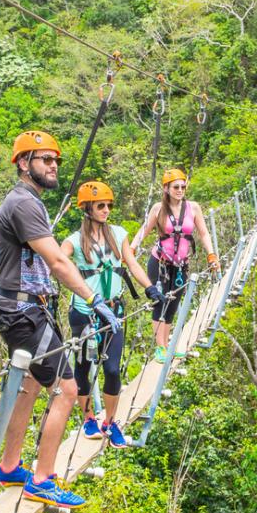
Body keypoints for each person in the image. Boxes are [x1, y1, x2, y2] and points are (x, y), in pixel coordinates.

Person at [0, 130, 122, 509]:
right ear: (24, 164)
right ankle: (42, 479)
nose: (53, 166)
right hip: (26, 312)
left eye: (55, 160)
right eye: (44, 159)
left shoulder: (18, 201)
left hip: (18, 308)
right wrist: (95, 299)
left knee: (29, 383)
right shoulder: (24, 204)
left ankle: (9, 467)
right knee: (68, 390)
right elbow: (58, 261)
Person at [61, 181, 164, 449]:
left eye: (108, 205)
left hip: (114, 312)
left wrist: (150, 287)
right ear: (87, 209)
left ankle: (110, 421)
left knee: (112, 369)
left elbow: (131, 262)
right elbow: (58, 264)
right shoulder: (73, 241)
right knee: (83, 367)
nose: (106, 210)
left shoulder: (118, 234)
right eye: (100, 206)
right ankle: (88, 418)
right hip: (84, 312)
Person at [130, 168, 220, 361]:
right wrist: (131, 249)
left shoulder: (193, 208)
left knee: (173, 304)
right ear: (166, 188)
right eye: (176, 187)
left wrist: (211, 254)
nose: (180, 190)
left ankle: (167, 344)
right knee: (159, 301)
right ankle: (160, 347)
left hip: (181, 265)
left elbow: (203, 233)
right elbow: (143, 231)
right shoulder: (158, 209)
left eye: (183, 186)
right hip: (160, 262)